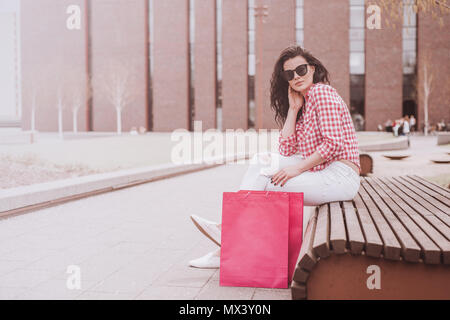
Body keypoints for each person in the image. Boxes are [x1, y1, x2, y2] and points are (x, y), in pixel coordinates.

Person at [188, 45, 361, 268]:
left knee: (268, 187)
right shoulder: (305, 106)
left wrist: (296, 169)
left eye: (301, 69)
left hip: (340, 176)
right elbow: (286, 150)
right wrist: (293, 110)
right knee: (263, 161)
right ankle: (228, 240)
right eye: (289, 74)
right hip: (325, 172)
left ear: (313, 68)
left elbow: (334, 143)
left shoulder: (321, 92)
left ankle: (226, 242)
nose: (296, 76)